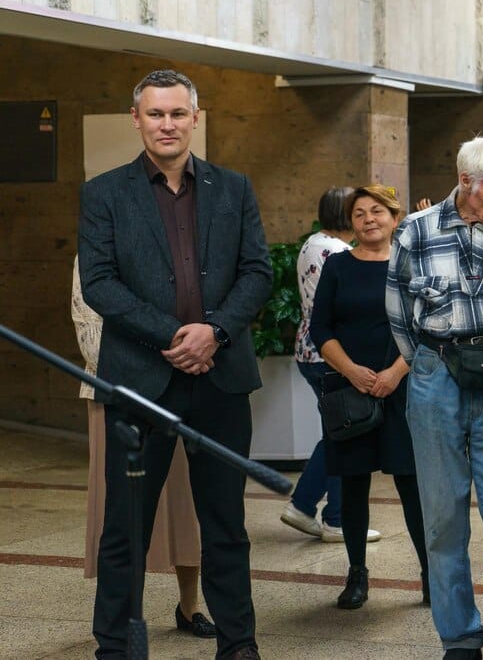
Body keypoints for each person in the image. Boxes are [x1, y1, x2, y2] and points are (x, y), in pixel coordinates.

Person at [78, 69, 271, 660]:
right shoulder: (104, 193)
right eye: (155, 114)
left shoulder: (234, 189)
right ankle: (115, 646)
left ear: (195, 118)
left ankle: (238, 645)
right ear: (136, 120)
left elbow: (257, 273)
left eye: (178, 114)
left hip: (221, 380)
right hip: (140, 381)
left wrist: (212, 332)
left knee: (225, 525)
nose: (167, 124)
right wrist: (173, 335)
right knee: (125, 528)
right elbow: (100, 284)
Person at [386, 135, 483, 660]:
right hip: (435, 379)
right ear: (466, 183)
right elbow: (398, 312)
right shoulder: (414, 231)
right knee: (442, 518)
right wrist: (429, 362)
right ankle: (459, 637)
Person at [72, 259, 216, 640]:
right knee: (121, 513)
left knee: (185, 503)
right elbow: (91, 339)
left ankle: (190, 606)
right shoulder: (92, 253)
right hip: (118, 395)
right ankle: (120, 617)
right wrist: (162, 352)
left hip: (179, 390)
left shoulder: (172, 245)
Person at [309, 185, 428, 610]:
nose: (368, 219)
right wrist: (352, 371)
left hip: (402, 388)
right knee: (353, 484)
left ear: (395, 219)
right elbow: (320, 329)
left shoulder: (409, 264)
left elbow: (424, 326)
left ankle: (430, 572)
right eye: (359, 213)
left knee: (412, 485)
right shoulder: (338, 266)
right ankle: (357, 572)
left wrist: (396, 372)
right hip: (350, 388)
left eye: (377, 211)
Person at [280, 186, 381, 545]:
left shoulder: (312, 243)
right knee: (344, 433)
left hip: (310, 351)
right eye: (357, 210)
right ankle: (334, 517)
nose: (366, 218)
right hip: (330, 355)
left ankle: (305, 505)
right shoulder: (338, 251)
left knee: (338, 431)